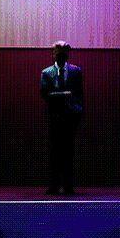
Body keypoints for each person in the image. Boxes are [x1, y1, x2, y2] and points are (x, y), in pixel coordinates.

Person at [40, 41, 83, 195]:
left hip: (71, 117)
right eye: (58, 54)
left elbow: (79, 94)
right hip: (55, 117)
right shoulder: (46, 73)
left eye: (63, 54)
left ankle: (68, 185)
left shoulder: (76, 71)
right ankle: (55, 185)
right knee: (55, 152)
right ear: (53, 55)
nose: (61, 57)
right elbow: (45, 94)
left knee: (69, 152)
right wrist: (65, 94)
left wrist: (78, 110)